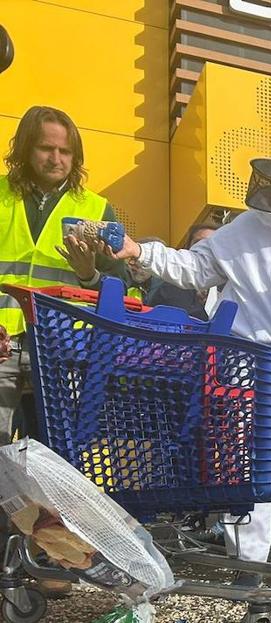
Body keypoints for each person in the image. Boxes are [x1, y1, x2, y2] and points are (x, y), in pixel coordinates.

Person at [110, 139, 271, 573]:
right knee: (243, 467)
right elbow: (195, 267)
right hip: (245, 362)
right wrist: (141, 252)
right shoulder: (242, 229)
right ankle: (248, 570)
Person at [0, 105, 128, 442]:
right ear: (26, 149)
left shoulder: (97, 208)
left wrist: (89, 276)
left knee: (54, 452)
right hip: (3, 343)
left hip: (61, 349)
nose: (56, 158)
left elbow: (125, 292)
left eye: (65, 151)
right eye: (46, 147)